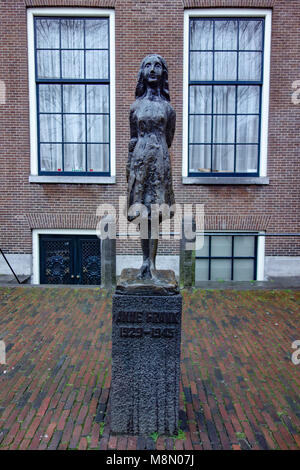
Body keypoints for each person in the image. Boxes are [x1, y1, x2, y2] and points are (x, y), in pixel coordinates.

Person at [126, 54, 176, 280]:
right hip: (139, 163)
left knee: (154, 214)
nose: (153, 69)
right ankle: (144, 262)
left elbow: (169, 138)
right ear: (142, 73)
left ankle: (152, 264)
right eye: (148, 65)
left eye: (157, 66)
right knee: (141, 213)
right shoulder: (135, 107)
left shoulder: (168, 108)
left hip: (159, 163)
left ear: (163, 73)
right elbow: (133, 139)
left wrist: (155, 152)